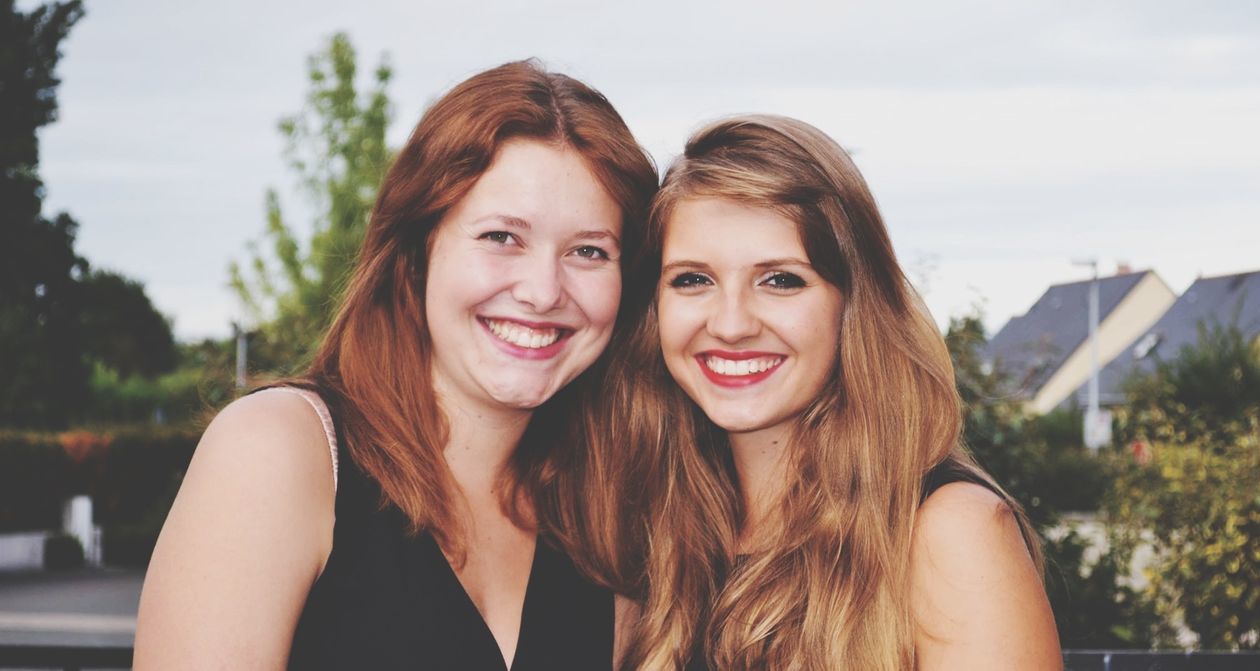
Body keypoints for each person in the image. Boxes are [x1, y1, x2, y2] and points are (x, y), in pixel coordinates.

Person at [134, 60, 658, 670]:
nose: (544, 291)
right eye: (501, 237)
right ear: (416, 252)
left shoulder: (613, 516)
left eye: (589, 251)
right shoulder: (280, 451)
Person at [600, 115, 1061, 670]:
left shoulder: (949, 534)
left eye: (781, 279)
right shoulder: (655, 533)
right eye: (692, 279)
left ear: (854, 305)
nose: (731, 323)